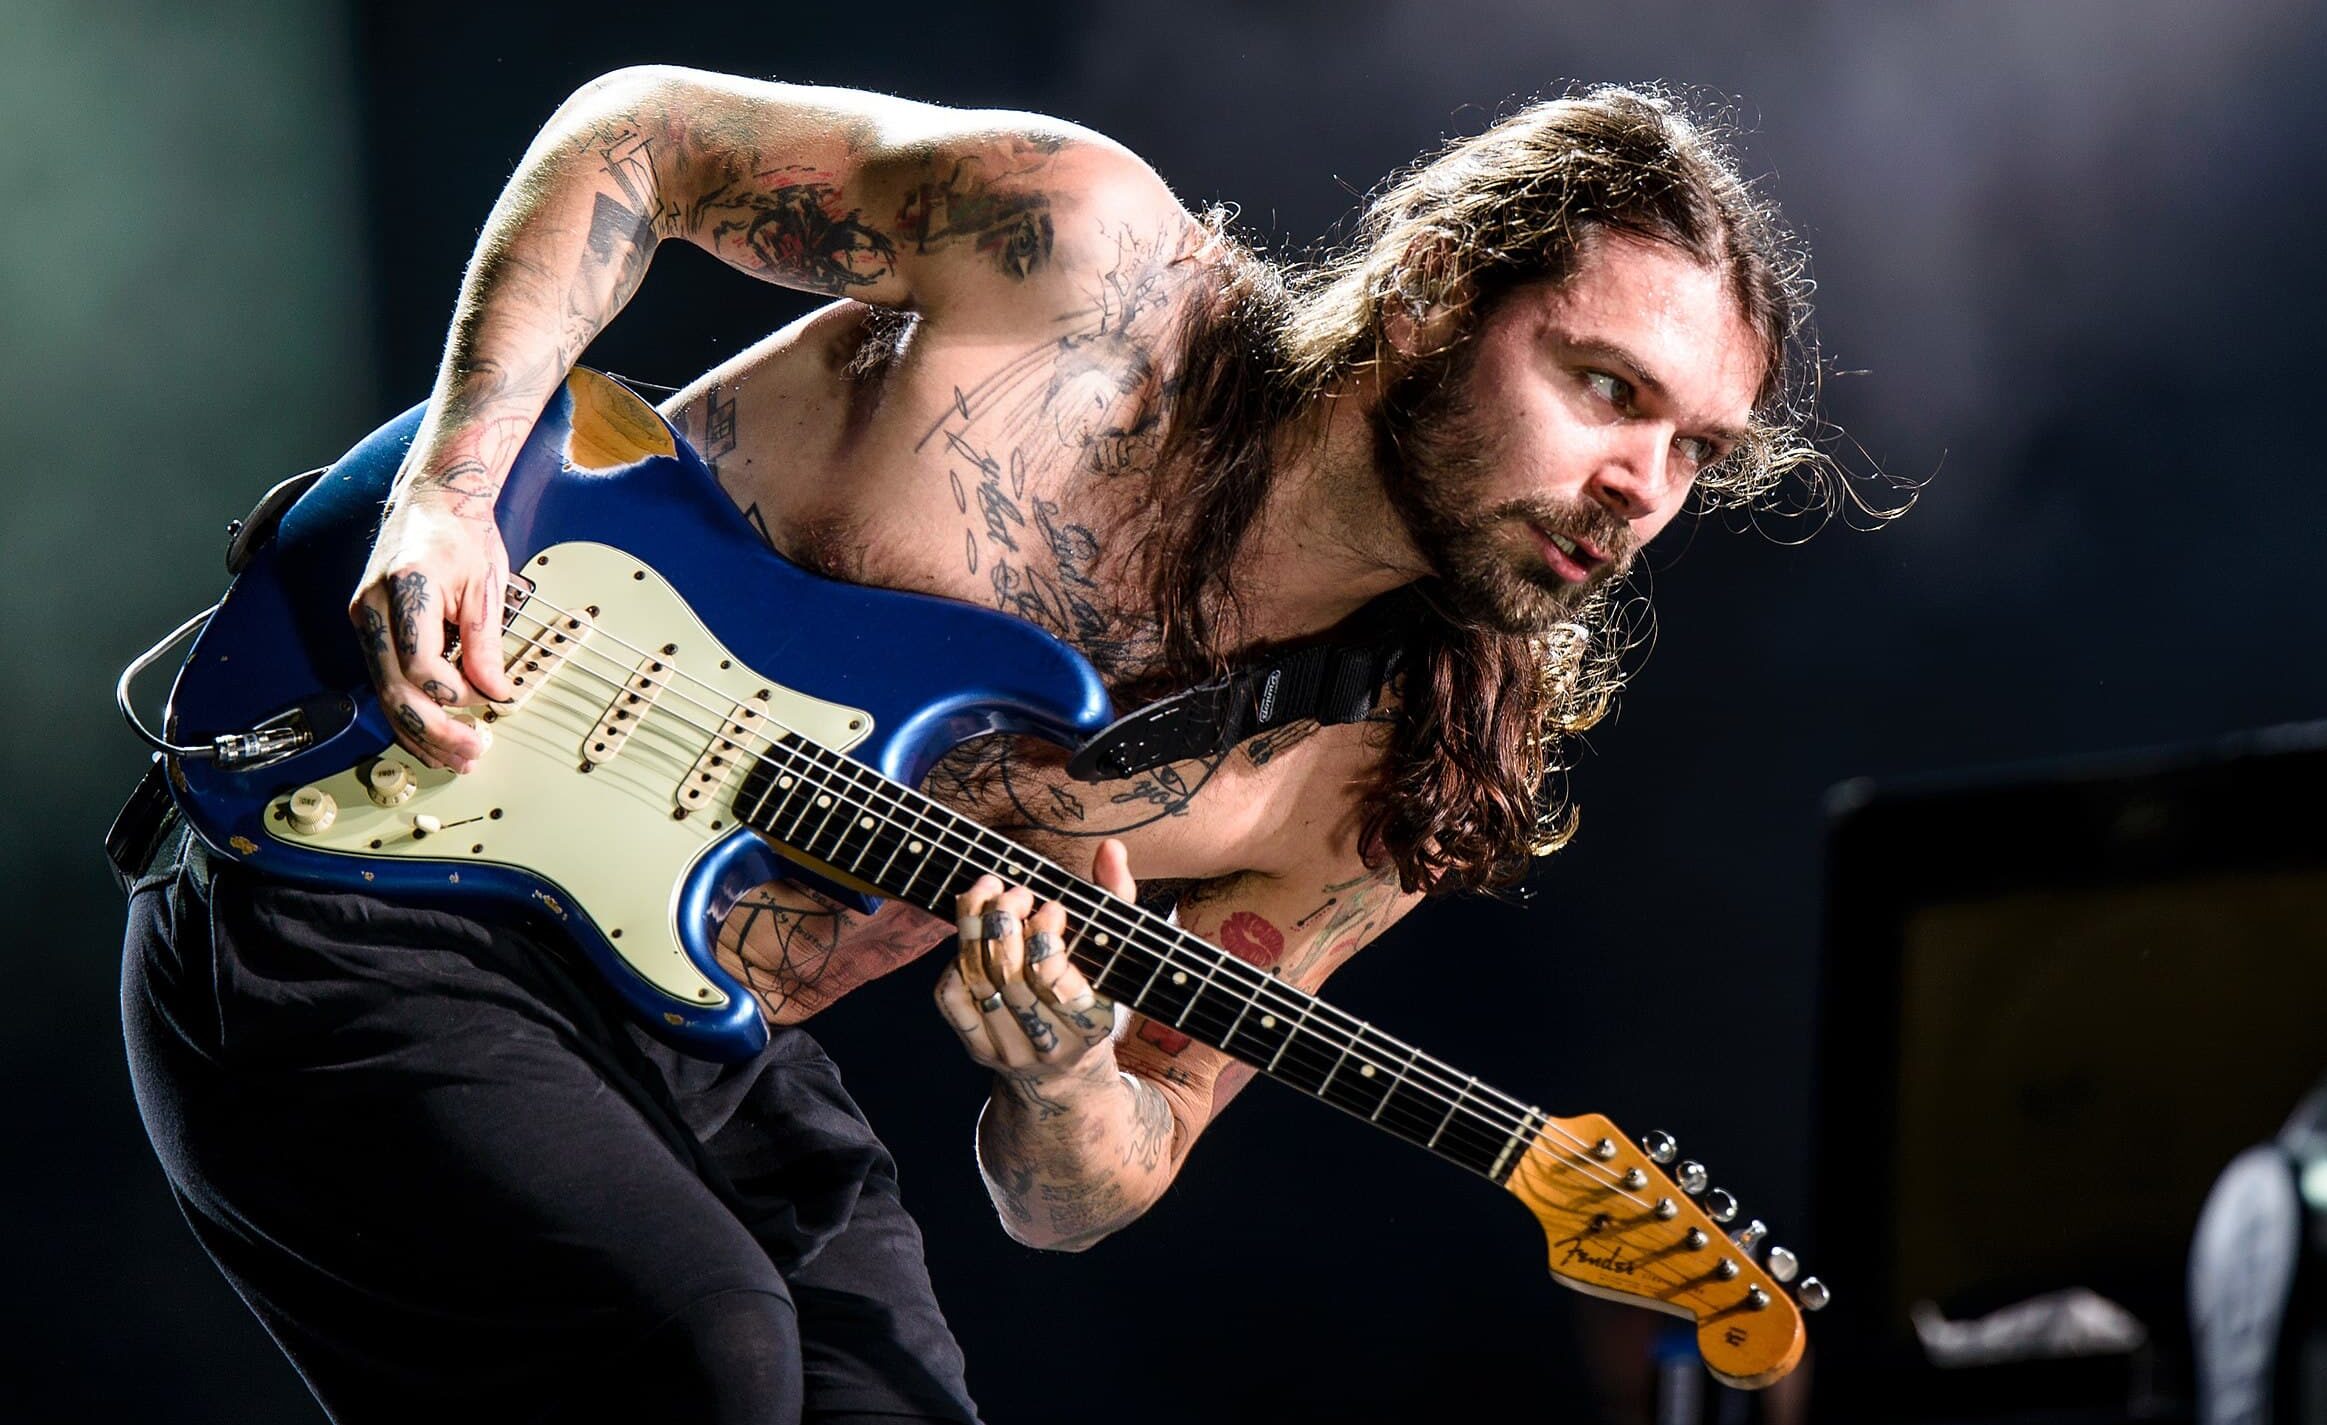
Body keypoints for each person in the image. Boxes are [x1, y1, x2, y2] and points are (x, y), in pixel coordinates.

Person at [123, 64, 1847, 1424]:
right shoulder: (1081, 266)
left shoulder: (1378, 782)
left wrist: (1062, 1077)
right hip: (361, 859)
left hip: (688, 1030)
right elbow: (633, 141)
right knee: (698, 1349)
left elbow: (1093, 1186)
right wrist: (443, 492)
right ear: (1430, 296)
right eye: (1607, 388)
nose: (1642, 491)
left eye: (1697, 451)